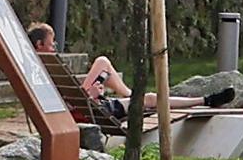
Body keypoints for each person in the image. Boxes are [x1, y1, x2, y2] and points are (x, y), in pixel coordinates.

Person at [25, 22, 227, 117]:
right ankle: (205, 100)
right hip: (88, 110)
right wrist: (89, 95)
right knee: (143, 96)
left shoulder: (40, 69)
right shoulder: (43, 71)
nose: (54, 48)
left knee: (109, 69)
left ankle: (206, 100)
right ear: (39, 45)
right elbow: (61, 107)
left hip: (88, 104)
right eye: (51, 44)